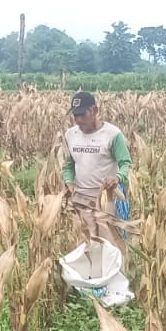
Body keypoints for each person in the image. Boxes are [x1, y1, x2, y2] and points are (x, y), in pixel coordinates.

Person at [62, 91, 132, 245]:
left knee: (111, 244)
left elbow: (125, 163)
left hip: (107, 197)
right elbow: (68, 165)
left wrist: (117, 177)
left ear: (95, 110)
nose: (79, 120)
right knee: (86, 244)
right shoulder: (70, 135)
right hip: (81, 198)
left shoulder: (112, 134)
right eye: (75, 116)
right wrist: (69, 182)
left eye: (83, 115)